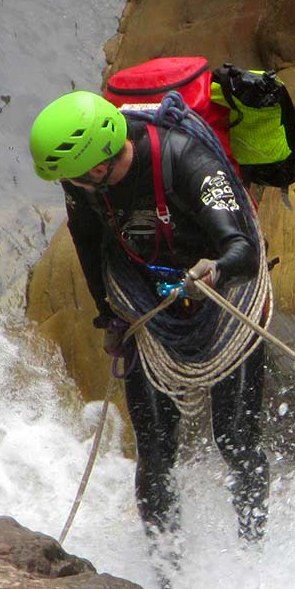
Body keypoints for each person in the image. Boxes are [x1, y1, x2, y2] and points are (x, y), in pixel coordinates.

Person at [28, 90, 271, 541]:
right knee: (156, 452)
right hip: (145, 301)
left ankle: (253, 545)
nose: (68, 185)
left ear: (98, 166)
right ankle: (166, 575)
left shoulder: (187, 160)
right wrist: (110, 316)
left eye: (72, 177)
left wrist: (213, 272)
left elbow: (245, 251)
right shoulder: (82, 182)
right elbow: (87, 240)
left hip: (222, 300)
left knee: (235, 437)